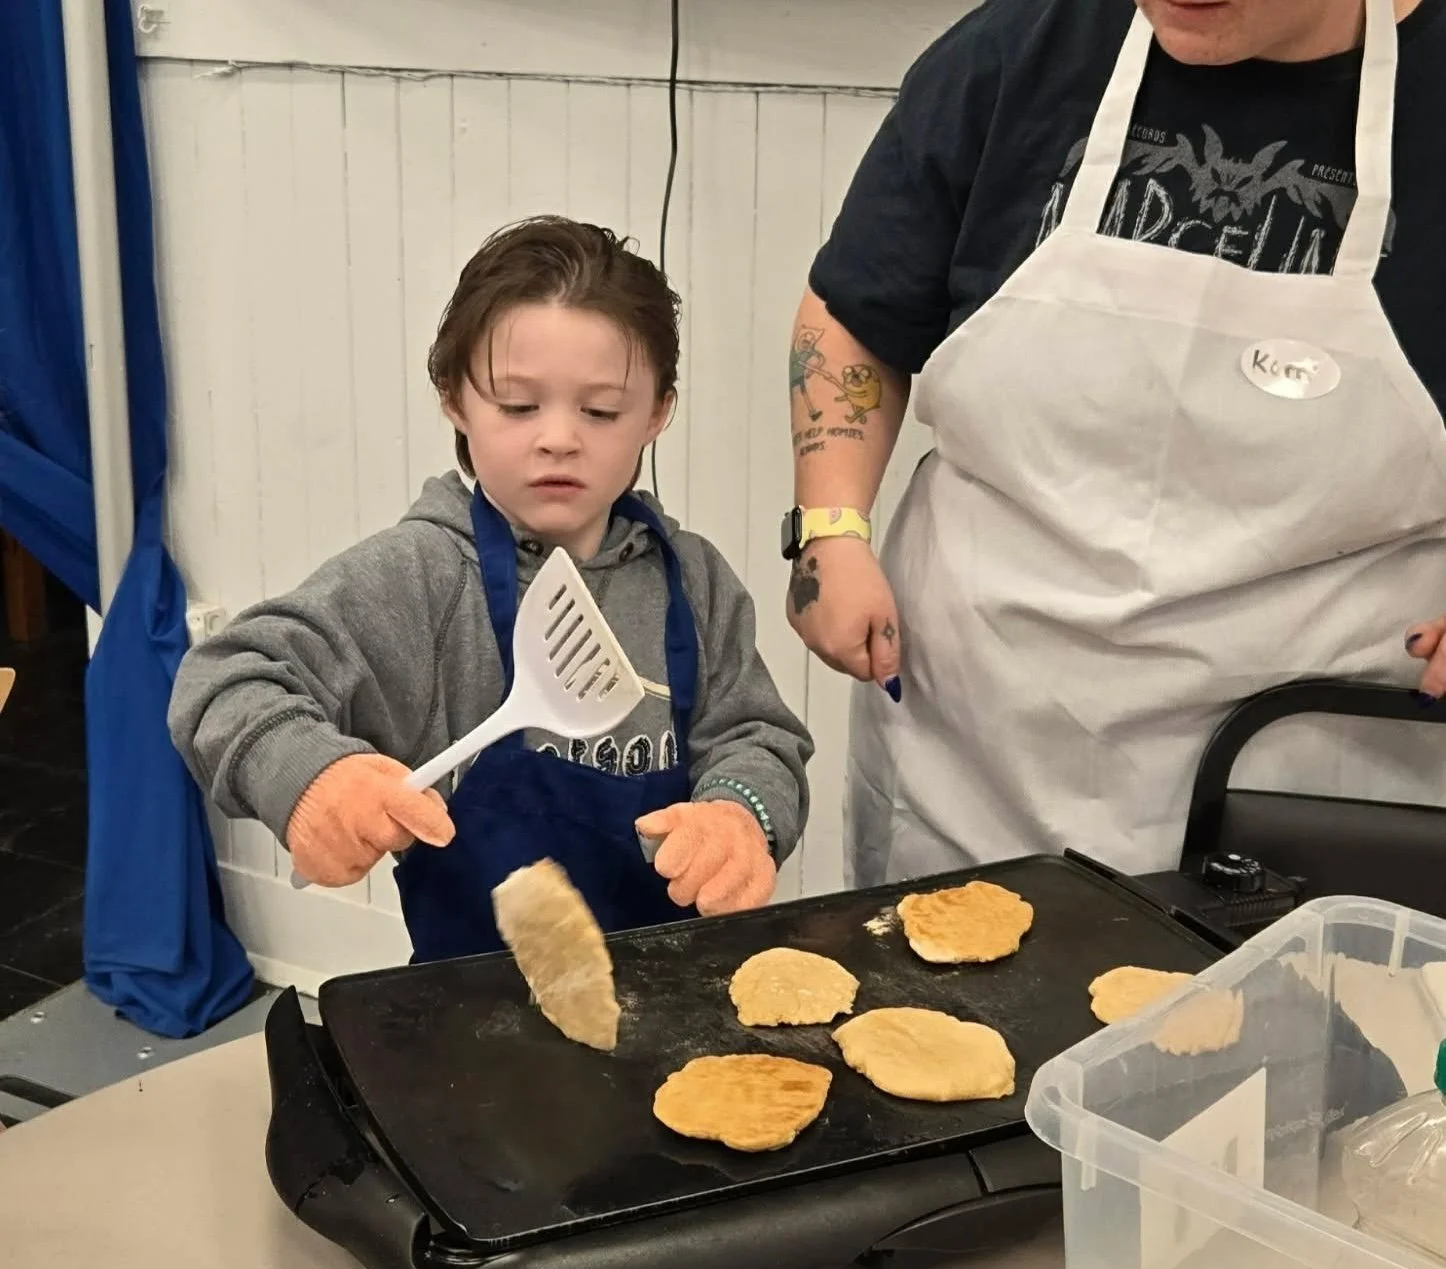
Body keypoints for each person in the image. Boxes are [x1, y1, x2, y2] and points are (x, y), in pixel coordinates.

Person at [783, 0, 1446, 886]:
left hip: (1304, 791)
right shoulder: (1018, 53)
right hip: (975, 763)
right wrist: (831, 526)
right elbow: (855, 314)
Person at [170, 216, 812, 962]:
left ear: (657, 413)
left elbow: (758, 737)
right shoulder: (424, 577)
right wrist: (313, 776)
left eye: (601, 410)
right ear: (454, 398)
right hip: (467, 1021)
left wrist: (741, 814)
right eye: (517, 405)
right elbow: (226, 680)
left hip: (673, 1002)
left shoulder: (693, 580)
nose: (559, 438)